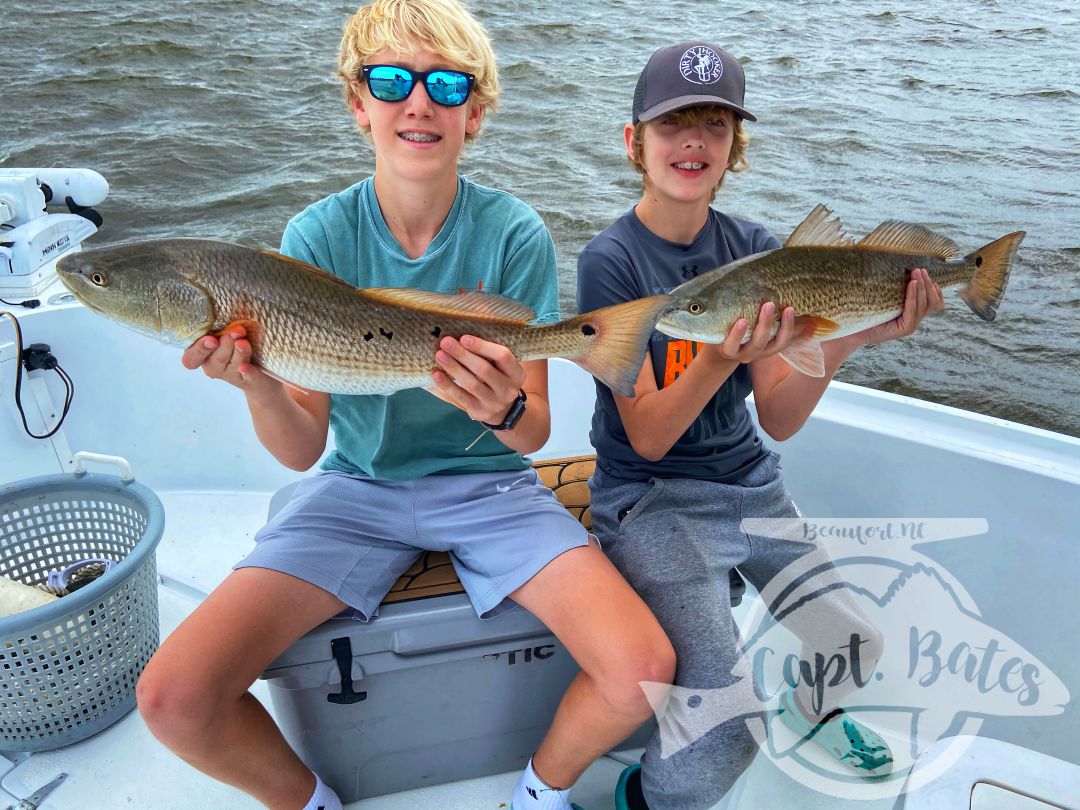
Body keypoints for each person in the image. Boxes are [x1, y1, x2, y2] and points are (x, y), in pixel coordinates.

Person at [134, 2, 675, 809]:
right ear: (359, 103)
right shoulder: (315, 236)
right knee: (172, 698)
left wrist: (496, 410)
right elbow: (298, 449)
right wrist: (254, 379)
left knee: (645, 673)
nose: (418, 101)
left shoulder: (513, 233)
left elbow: (530, 431)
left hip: (491, 487)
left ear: (476, 113)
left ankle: (539, 790)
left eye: (447, 83)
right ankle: (310, 801)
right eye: (390, 79)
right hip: (355, 490)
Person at [576, 41, 945, 810]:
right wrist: (715, 360)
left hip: (750, 486)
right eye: (674, 121)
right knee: (727, 725)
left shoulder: (757, 248)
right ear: (633, 140)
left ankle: (813, 713)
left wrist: (857, 333)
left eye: (716, 124)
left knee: (856, 644)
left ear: (734, 149)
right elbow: (645, 438)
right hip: (651, 500)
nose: (695, 142)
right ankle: (645, 798)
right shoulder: (610, 263)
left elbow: (777, 417)